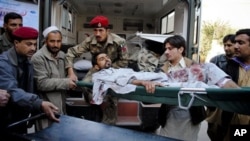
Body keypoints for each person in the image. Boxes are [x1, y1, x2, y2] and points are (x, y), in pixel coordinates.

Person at [0, 26, 59, 137]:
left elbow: (30, 88)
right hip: (5, 119)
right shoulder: (3, 63)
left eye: (34, 44)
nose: (33, 48)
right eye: (29, 44)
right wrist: (39, 103)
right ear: (16, 43)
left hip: (20, 117)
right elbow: (12, 91)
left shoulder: (27, 61)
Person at [156, 35, 211, 141]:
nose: (166, 52)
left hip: (191, 114)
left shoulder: (195, 67)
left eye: (170, 48)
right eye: (165, 49)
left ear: (181, 49)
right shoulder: (162, 70)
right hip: (169, 114)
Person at [31, 26, 77, 131]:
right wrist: (66, 83)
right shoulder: (38, 57)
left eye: (58, 41)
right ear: (45, 41)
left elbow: (69, 74)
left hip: (61, 108)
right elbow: (41, 83)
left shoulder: (62, 55)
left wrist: (72, 75)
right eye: (52, 41)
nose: (56, 45)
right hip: (45, 110)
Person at [209, 28, 250, 141]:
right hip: (232, 122)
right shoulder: (228, 67)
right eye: (235, 42)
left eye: (240, 43)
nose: (235, 46)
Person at [65, 15, 129, 81]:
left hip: (115, 69)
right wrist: (70, 72)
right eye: (95, 30)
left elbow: (124, 61)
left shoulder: (120, 42)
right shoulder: (90, 41)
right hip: (97, 68)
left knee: (117, 86)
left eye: (101, 30)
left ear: (107, 31)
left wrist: (108, 66)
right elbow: (71, 52)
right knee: (85, 85)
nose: (97, 34)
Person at [207, 34, 236, 141]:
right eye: (225, 45)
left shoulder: (241, 62)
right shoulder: (215, 60)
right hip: (216, 103)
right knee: (214, 132)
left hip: (234, 103)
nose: (226, 48)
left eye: (229, 45)